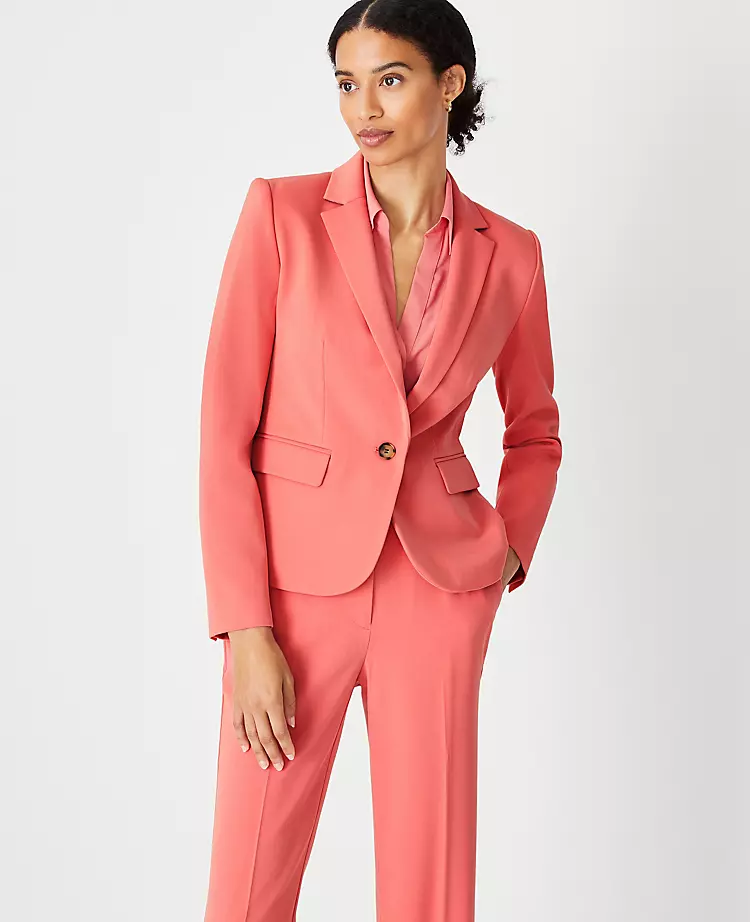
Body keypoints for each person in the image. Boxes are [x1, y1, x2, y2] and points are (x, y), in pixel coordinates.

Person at [198, 1, 562, 919]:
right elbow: (224, 430)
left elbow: (535, 432)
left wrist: (505, 553)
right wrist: (245, 627)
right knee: (247, 884)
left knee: (428, 889)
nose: (363, 107)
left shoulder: (512, 256)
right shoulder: (280, 215)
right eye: (347, 83)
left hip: (438, 590)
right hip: (293, 596)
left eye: (389, 80)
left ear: (451, 83)